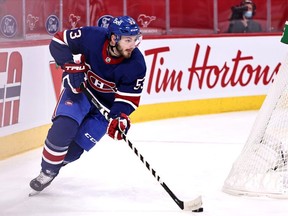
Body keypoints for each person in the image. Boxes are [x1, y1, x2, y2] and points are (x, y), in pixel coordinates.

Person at [29, 15, 147, 193]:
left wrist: (120, 118)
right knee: (63, 128)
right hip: (82, 91)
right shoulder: (92, 36)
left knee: (75, 151)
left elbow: (128, 99)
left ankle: (55, 167)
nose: (133, 45)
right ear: (114, 38)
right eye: (128, 40)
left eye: (135, 39)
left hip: (104, 109)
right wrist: (69, 66)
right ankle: (47, 171)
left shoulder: (136, 64)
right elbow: (59, 40)